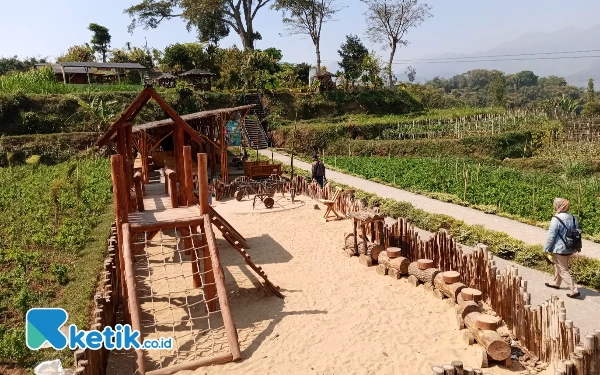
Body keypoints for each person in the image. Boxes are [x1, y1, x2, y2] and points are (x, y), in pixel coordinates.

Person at [543, 198, 581, 298]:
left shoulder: (556, 219)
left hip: (559, 249)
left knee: (563, 269)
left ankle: (574, 290)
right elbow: (577, 233)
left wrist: (546, 249)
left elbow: (551, 236)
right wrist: (578, 247)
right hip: (570, 247)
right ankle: (556, 283)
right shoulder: (573, 218)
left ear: (557, 206)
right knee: (559, 265)